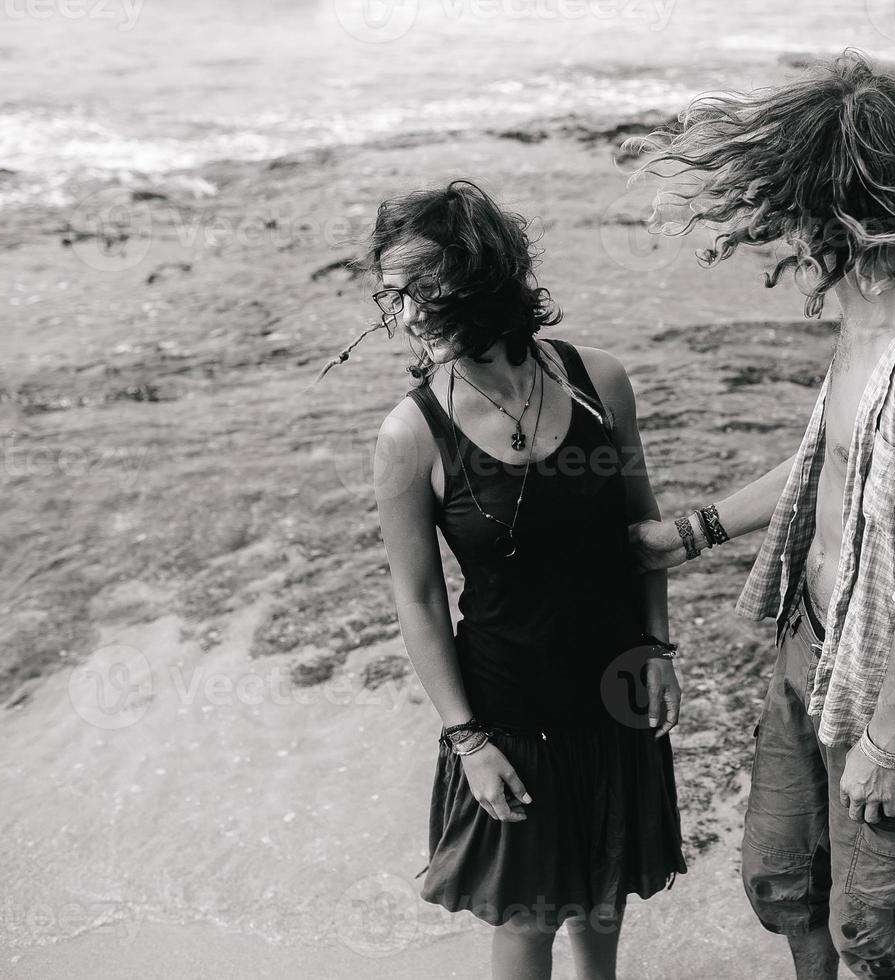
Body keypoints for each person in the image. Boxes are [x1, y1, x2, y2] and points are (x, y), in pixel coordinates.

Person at [625, 51, 895, 980]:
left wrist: (885, 742)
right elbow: (826, 463)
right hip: (812, 647)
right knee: (786, 881)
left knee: (887, 936)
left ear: (845, 214)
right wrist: (690, 533)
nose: (789, 242)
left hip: (885, 690)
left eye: (798, 217)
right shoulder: (868, 316)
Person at [329, 178, 688, 980]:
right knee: (527, 916)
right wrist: (468, 739)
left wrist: (656, 647)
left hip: (614, 687)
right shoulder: (410, 434)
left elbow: (643, 534)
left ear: (481, 279)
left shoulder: (600, 382)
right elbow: (418, 598)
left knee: (605, 897)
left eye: (420, 290)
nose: (406, 314)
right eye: (393, 295)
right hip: (508, 708)